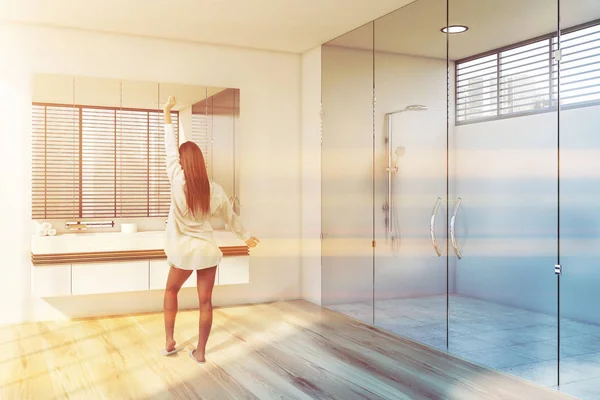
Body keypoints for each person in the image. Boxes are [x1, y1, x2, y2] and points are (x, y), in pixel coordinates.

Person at [161, 96, 259, 364]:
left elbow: (170, 148)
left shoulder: (177, 179)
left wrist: (167, 111)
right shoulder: (213, 189)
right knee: (206, 302)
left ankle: (170, 342)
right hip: (206, 250)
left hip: (183, 251)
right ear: (200, 162)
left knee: (171, 292)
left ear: (182, 163)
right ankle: (201, 353)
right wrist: (246, 236)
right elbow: (230, 216)